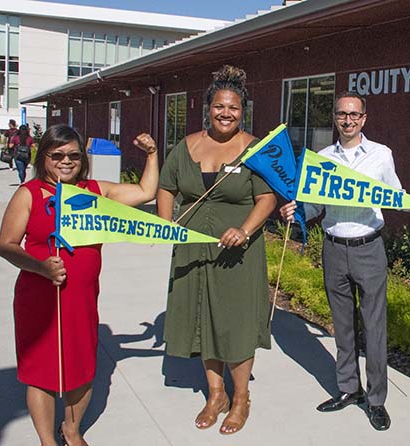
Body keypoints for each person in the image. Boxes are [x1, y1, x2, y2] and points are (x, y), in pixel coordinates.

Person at [0, 124, 159, 446]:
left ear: (82, 159)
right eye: (57, 155)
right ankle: (47, 440)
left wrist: (152, 155)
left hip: (81, 299)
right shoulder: (28, 193)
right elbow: (6, 245)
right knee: (40, 371)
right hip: (37, 298)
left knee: (83, 367)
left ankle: (71, 431)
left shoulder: (95, 190)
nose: (66, 161)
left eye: (74, 155)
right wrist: (40, 267)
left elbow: (145, 192)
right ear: (43, 157)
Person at [279, 91, 410, 431]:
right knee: (343, 325)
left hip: (368, 249)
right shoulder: (321, 158)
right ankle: (349, 388)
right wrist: (298, 211)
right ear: (335, 118)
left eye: (354, 115)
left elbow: (394, 196)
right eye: (341, 114)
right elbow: (316, 206)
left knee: (374, 328)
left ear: (363, 118)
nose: (347, 120)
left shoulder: (380, 155)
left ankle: (376, 400)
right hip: (333, 249)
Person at [156, 65, 276, 435]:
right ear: (207, 108)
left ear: (244, 112)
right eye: (219, 106)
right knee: (202, 318)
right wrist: (165, 225)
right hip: (193, 250)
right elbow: (166, 187)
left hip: (237, 253)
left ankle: (241, 399)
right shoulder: (186, 146)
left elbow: (268, 197)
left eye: (234, 108)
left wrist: (244, 229)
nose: (226, 113)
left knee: (235, 324)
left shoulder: (255, 149)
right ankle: (216, 393)